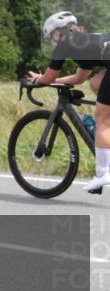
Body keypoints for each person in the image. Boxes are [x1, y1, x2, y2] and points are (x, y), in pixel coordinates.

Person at [27, 11, 110, 192]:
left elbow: (48, 78)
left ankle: (103, 173)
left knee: (102, 119)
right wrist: (47, 79)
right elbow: (79, 78)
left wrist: (37, 80)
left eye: (52, 36)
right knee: (96, 83)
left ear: (60, 32)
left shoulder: (65, 44)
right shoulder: (82, 43)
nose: (53, 41)